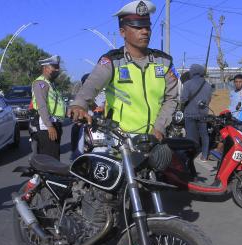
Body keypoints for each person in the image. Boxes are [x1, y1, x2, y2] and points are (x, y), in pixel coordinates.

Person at [67, 0, 178, 140]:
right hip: (119, 141)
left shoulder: (164, 62)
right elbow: (91, 85)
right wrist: (79, 104)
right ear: (122, 32)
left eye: (147, 27)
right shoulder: (112, 61)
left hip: (155, 138)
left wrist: (159, 128)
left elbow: (171, 98)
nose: (145, 31)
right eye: (138, 27)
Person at [29, 55, 66, 160]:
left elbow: (58, 104)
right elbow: (42, 105)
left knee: (54, 155)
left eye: (58, 67)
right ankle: (48, 176)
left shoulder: (51, 84)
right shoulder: (40, 83)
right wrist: (49, 126)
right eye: (54, 67)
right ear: (45, 68)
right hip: (46, 124)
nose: (57, 69)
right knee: (50, 158)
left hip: (55, 123)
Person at [180, 64, 213, 161]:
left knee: (190, 135)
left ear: (192, 72)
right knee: (204, 134)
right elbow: (209, 99)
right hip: (203, 113)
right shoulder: (208, 85)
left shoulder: (188, 84)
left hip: (190, 113)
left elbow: (183, 99)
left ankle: (190, 156)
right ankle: (204, 156)